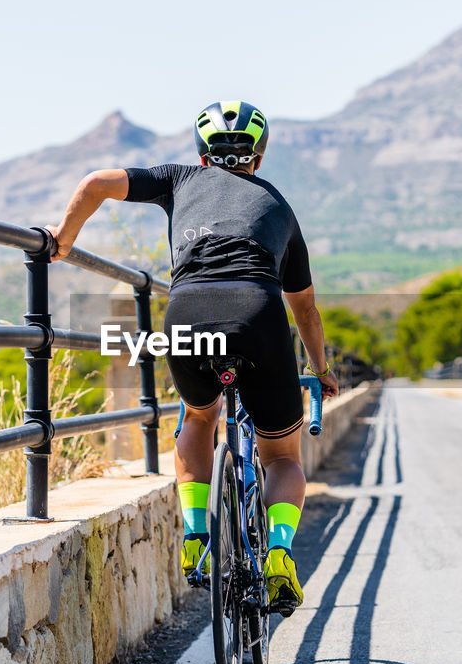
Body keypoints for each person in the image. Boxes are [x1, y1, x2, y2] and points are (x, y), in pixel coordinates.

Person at [46, 100, 338, 612]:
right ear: (260, 157)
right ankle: (277, 553)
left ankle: (197, 535)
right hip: (258, 313)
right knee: (282, 457)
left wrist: (63, 242)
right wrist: (321, 370)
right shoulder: (279, 207)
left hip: (187, 312)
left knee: (200, 418)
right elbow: (306, 310)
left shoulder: (176, 179)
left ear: (202, 155)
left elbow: (95, 182)